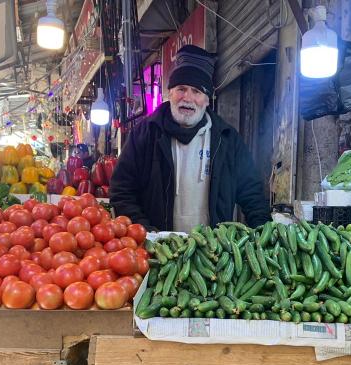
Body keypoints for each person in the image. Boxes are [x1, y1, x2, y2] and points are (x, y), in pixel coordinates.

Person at [110, 45, 270, 232]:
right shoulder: (144, 134)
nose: (187, 98)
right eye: (181, 89)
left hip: (211, 248)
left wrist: (265, 234)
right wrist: (145, 232)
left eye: (196, 91)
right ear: (170, 93)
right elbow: (122, 191)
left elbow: (252, 194)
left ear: (207, 99)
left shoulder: (227, 140)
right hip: (157, 247)